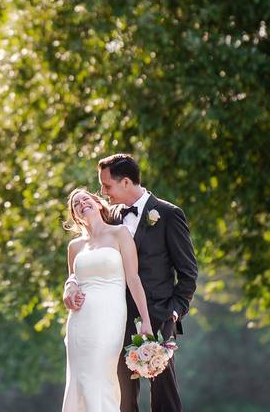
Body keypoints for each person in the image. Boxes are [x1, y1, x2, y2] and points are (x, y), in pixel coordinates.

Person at [97, 153, 198, 412]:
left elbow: (188, 272)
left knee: (164, 392)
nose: (103, 192)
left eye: (107, 186)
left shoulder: (168, 214)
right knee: (122, 394)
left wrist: (174, 312)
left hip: (160, 314)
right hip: (118, 317)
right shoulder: (111, 217)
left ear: (127, 182)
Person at [62, 187, 153, 412]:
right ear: (76, 216)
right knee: (79, 379)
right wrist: (69, 291)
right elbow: (72, 278)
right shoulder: (74, 246)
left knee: (102, 375)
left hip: (110, 315)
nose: (82, 203)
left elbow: (133, 279)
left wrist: (146, 321)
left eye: (85, 199)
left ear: (97, 203)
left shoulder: (120, 233)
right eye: (76, 204)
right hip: (79, 321)